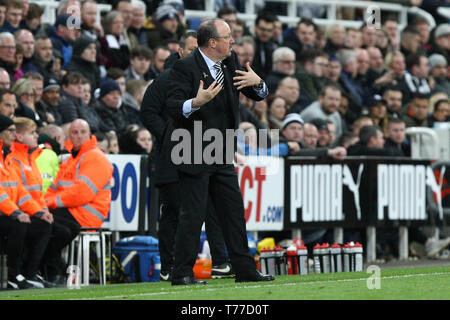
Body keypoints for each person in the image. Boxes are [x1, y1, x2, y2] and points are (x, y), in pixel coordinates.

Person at [166, 18, 274, 285]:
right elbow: (171, 105)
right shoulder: (184, 66)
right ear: (212, 42)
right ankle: (181, 273)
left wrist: (258, 83)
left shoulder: (230, 61)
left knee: (233, 211)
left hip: (222, 148)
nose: (233, 41)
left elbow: (255, 93)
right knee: (193, 213)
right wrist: (194, 102)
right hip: (192, 147)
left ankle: (245, 269)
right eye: (228, 37)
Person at [141, 30, 233, 281]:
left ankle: (221, 261)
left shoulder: (215, 77)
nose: (198, 55)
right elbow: (148, 113)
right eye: (192, 50)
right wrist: (173, 138)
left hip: (205, 155)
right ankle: (170, 266)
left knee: (212, 208)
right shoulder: (166, 80)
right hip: (173, 159)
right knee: (175, 211)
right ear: (180, 52)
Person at [44, 119, 113, 283]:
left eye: (83, 132)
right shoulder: (71, 160)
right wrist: (43, 204)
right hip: (72, 210)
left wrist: (49, 203)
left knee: (44, 225)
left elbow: (81, 194)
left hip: (86, 214)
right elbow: (53, 189)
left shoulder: (96, 157)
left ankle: (53, 270)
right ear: (69, 136)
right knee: (41, 223)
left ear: (90, 134)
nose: (79, 136)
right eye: (74, 132)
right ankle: (52, 270)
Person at [6, 117, 55, 287]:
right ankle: (15, 274)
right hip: (12, 212)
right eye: (32, 132)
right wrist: (17, 212)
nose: (37, 136)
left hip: (19, 210)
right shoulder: (13, 157)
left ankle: (31, 273)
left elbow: (25, 193)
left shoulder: (29, 158)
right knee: (22, 226)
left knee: (47, 224)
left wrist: (40, 211)